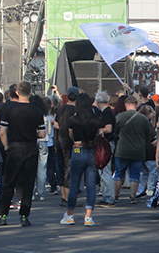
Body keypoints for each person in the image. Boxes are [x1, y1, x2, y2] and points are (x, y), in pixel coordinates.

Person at [0, 81, 45, 227]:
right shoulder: (36, 111)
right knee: (28, 183)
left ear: (17, 92)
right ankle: (24, 216)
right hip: (30, 148)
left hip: (15, 147)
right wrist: (32, 135)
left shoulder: (9, 110)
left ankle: (2, 215)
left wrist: (7, 146)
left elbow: (2, 132)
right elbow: (42, 133)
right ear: (30, 92)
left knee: (9, 182)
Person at [60, 93, 101, 227]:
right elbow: (99, 132)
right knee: (91, 186)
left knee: (74, 185)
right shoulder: (95, 119)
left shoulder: (73, 120)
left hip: (78, 149)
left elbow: (70, 134)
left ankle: (70, 215)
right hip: (91, 150)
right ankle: (88, 217)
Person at [113, 95, 155, 204]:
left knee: (119, 174)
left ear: (126, 105)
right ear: (136, 105)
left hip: (122, 149)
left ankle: (116, 195)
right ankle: (133, 196)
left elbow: (114, 132)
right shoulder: (143, 119)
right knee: (135, 175)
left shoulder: (120, 116)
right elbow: (150, 134)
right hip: (138, 150)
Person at [54, 86, 78, 208]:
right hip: (70, 142)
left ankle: (64, 197)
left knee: (62, 169)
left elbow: (56, 125)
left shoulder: (61, 108)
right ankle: (69, 198)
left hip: (60, 141)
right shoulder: (76, 110)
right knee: (70, 170)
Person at [94, 91, 116, 207]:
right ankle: (106, 196)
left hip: (106, 143)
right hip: (107, 142)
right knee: (103, 171)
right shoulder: (108, 112)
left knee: (105, 171)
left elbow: (108, 128)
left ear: (98, 101)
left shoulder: (106, 113)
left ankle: (109, 198)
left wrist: (99, 131)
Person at [30, 94, 51, 201]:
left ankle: (32, 192)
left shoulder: (30, 114)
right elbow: (49, 132)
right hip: (43, 142)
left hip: (32, 141)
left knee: (31, 168)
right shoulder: (45, 116)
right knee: (42, 168)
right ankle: (41, 193)